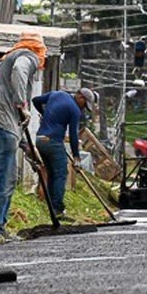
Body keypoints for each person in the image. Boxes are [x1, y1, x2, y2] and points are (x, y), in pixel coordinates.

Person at [0, 30, 47, 239]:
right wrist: (22, 104)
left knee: (3, 177)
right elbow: (20, 70)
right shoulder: (26, 55)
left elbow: (16, 125)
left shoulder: (5, 62)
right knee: (4, 178)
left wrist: (30, 151)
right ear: (39, 50)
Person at [31, 87, 96, 220]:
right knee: (61, 174)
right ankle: (58, 210)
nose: (84, 108)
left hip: (39, 140)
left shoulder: (57, 94)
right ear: (80, 97)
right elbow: (73, 135)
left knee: (52, 174)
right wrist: (76, 157)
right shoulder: (75, 110)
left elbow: (35, 100)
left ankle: (50, 208)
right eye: (85, 104)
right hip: (53, 142)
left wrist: (44, 114)